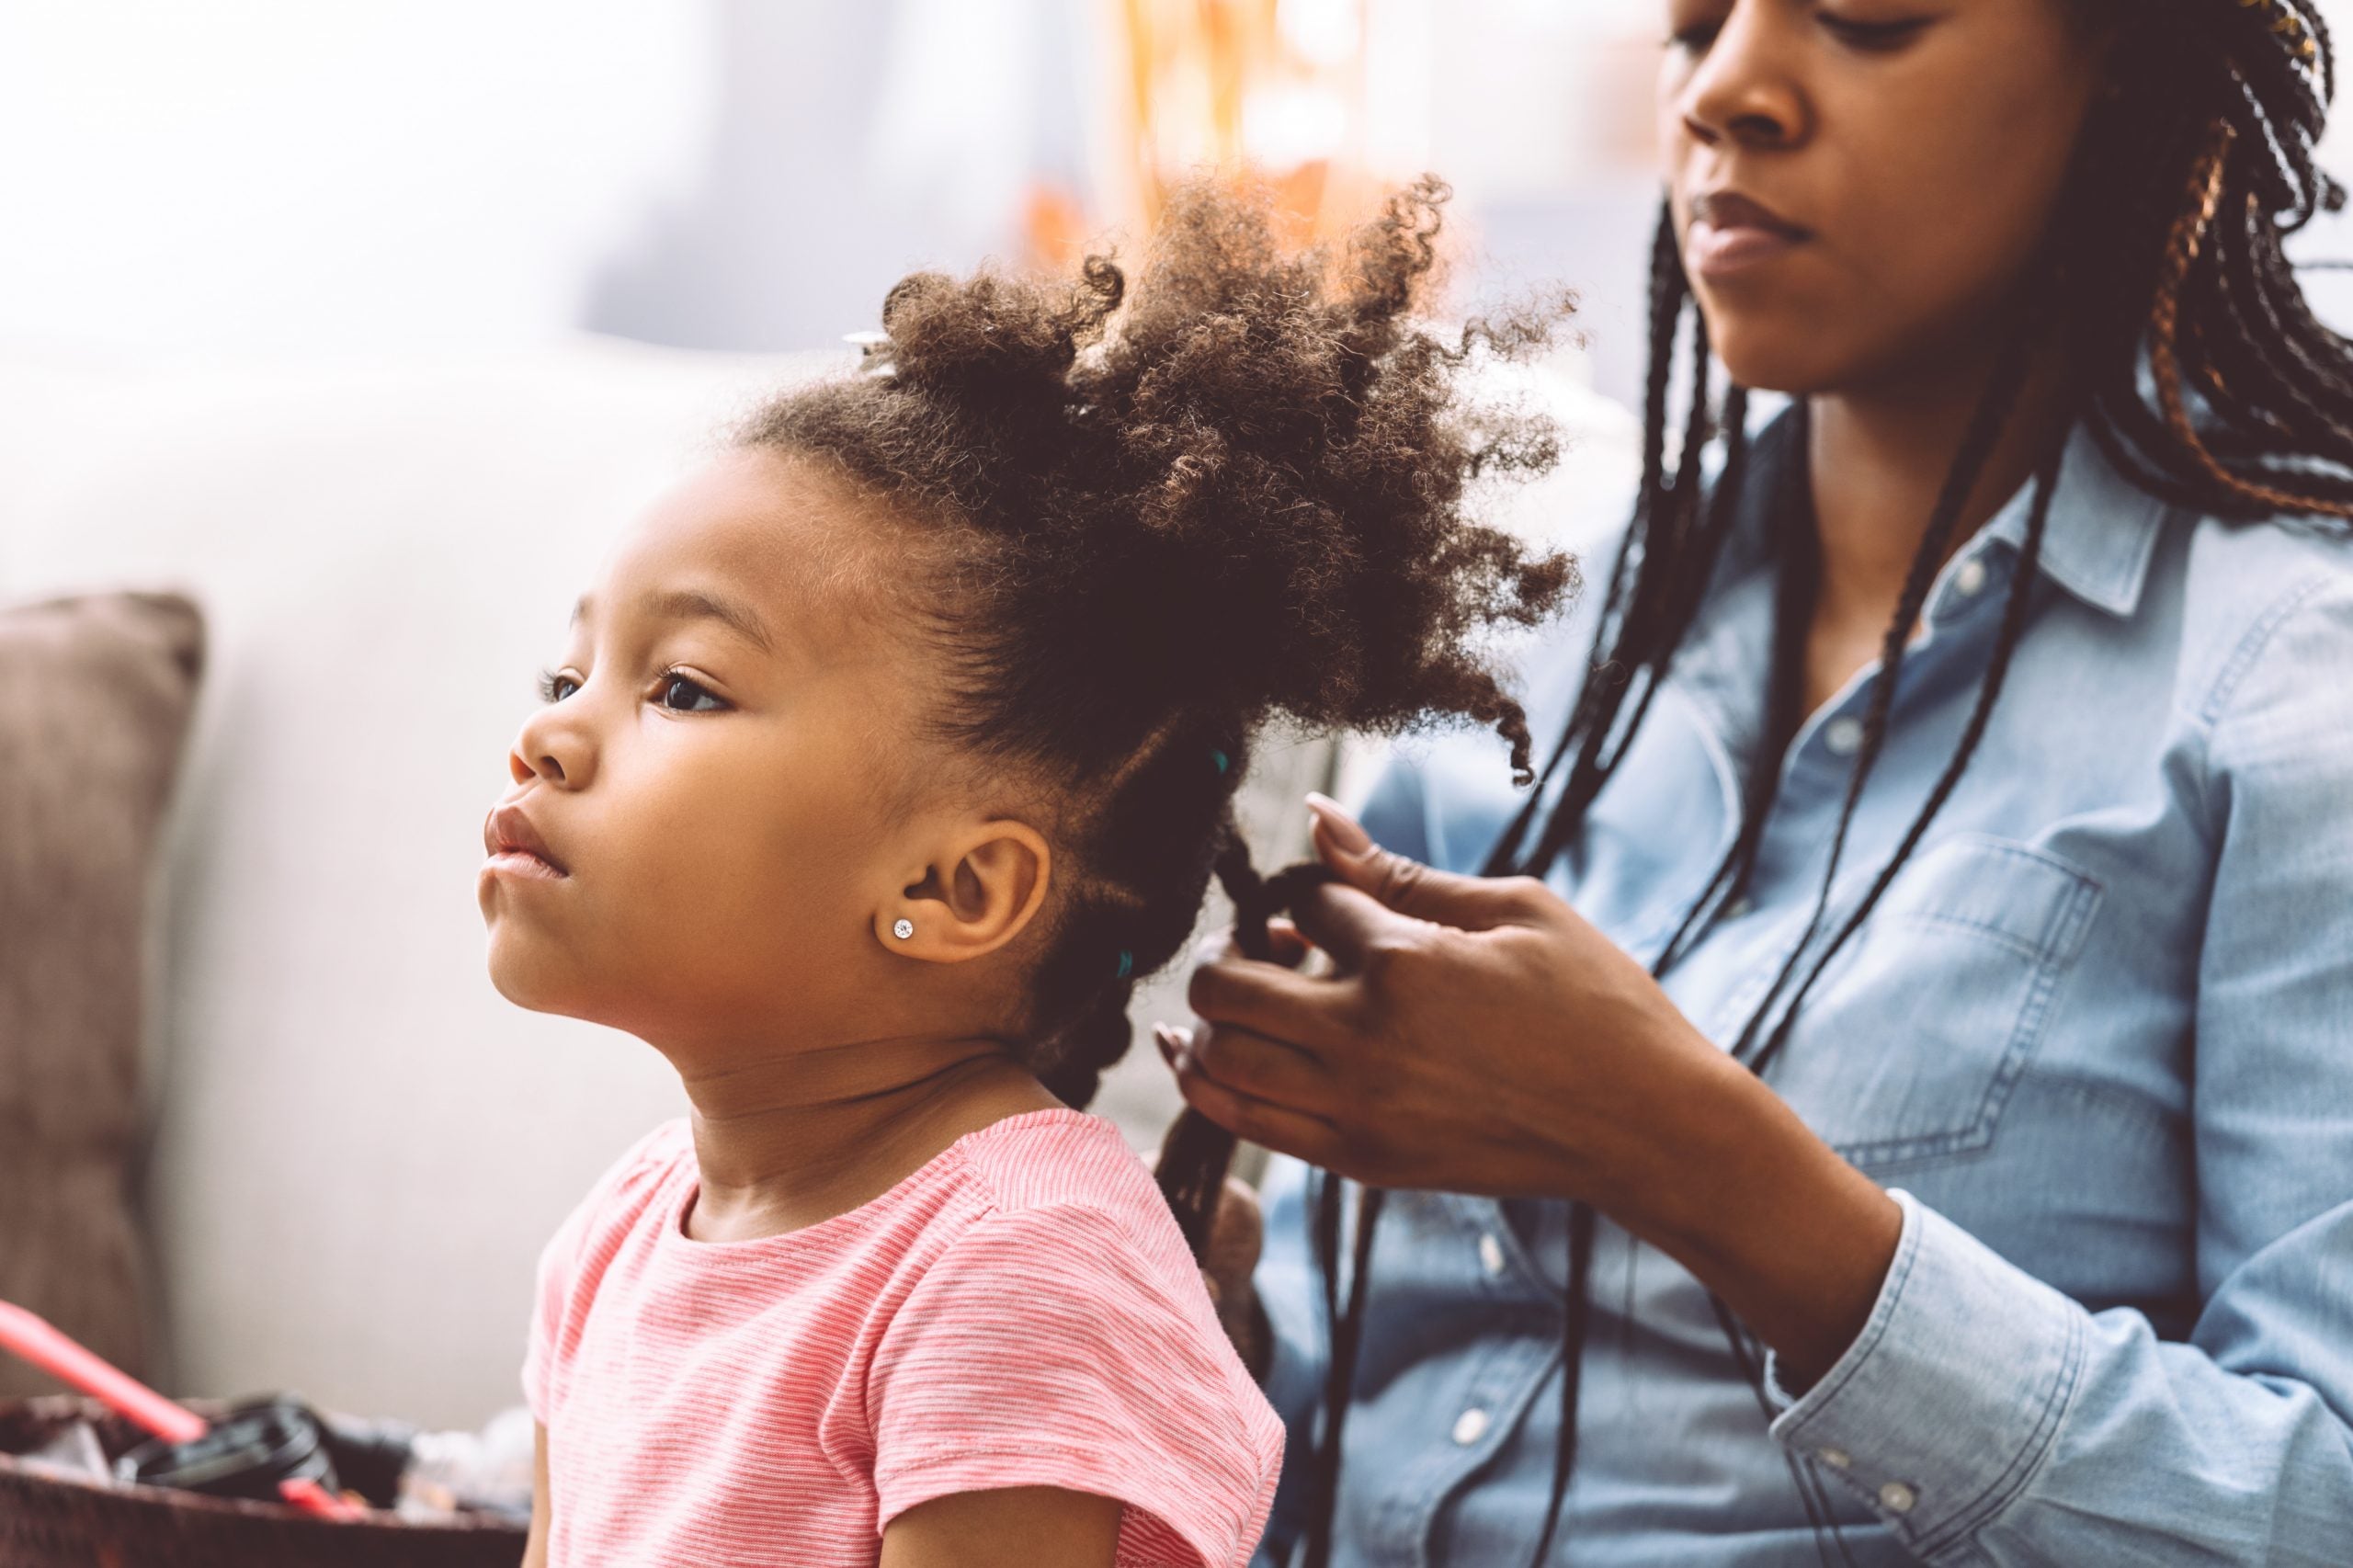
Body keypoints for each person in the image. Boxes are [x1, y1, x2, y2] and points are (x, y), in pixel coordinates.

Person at [1160, 2, 2353, 1563]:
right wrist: (1199, 1350)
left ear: (2127, 69)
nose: (1726, 92)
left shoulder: (2292, 683)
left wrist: (1695, 1158)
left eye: (1864, 16)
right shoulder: (1545, 655)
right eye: (1693, 23)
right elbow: (1347, 1383)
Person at [483, 180, 1579, 1568]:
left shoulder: (1017, 1267)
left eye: (684, 687)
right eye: (566, 672)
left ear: (955, 891)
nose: (547, 733)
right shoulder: (616, 1240)